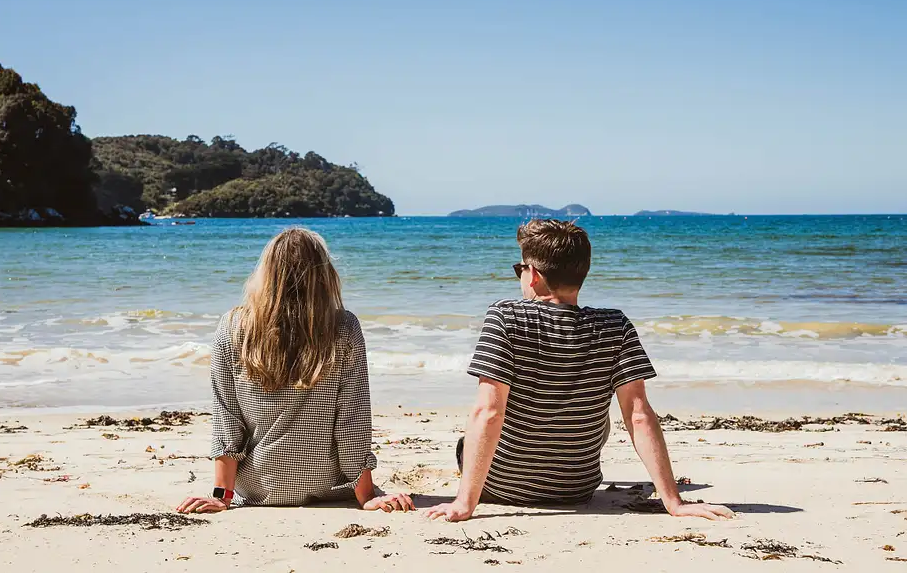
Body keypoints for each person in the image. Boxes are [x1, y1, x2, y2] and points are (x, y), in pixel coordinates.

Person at [424, 219, 734, 523]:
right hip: (575, 488)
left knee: (470, 437)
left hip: (501, 486)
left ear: (533, 276)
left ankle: (476, 487)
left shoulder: (505, 316)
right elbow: (638, 415)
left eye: (520, 269)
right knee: (608, 406)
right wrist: (674, 501)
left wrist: (464, 503)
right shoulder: (615, 325)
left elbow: (489, 412)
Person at [177, 227, 414, 514]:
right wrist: (366, 496)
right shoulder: (344, 327)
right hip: (326, 484)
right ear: (324, 275)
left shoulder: (232, 326)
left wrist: (222, 495)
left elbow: (227, 419)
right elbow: (352, 420)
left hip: (257, 487)